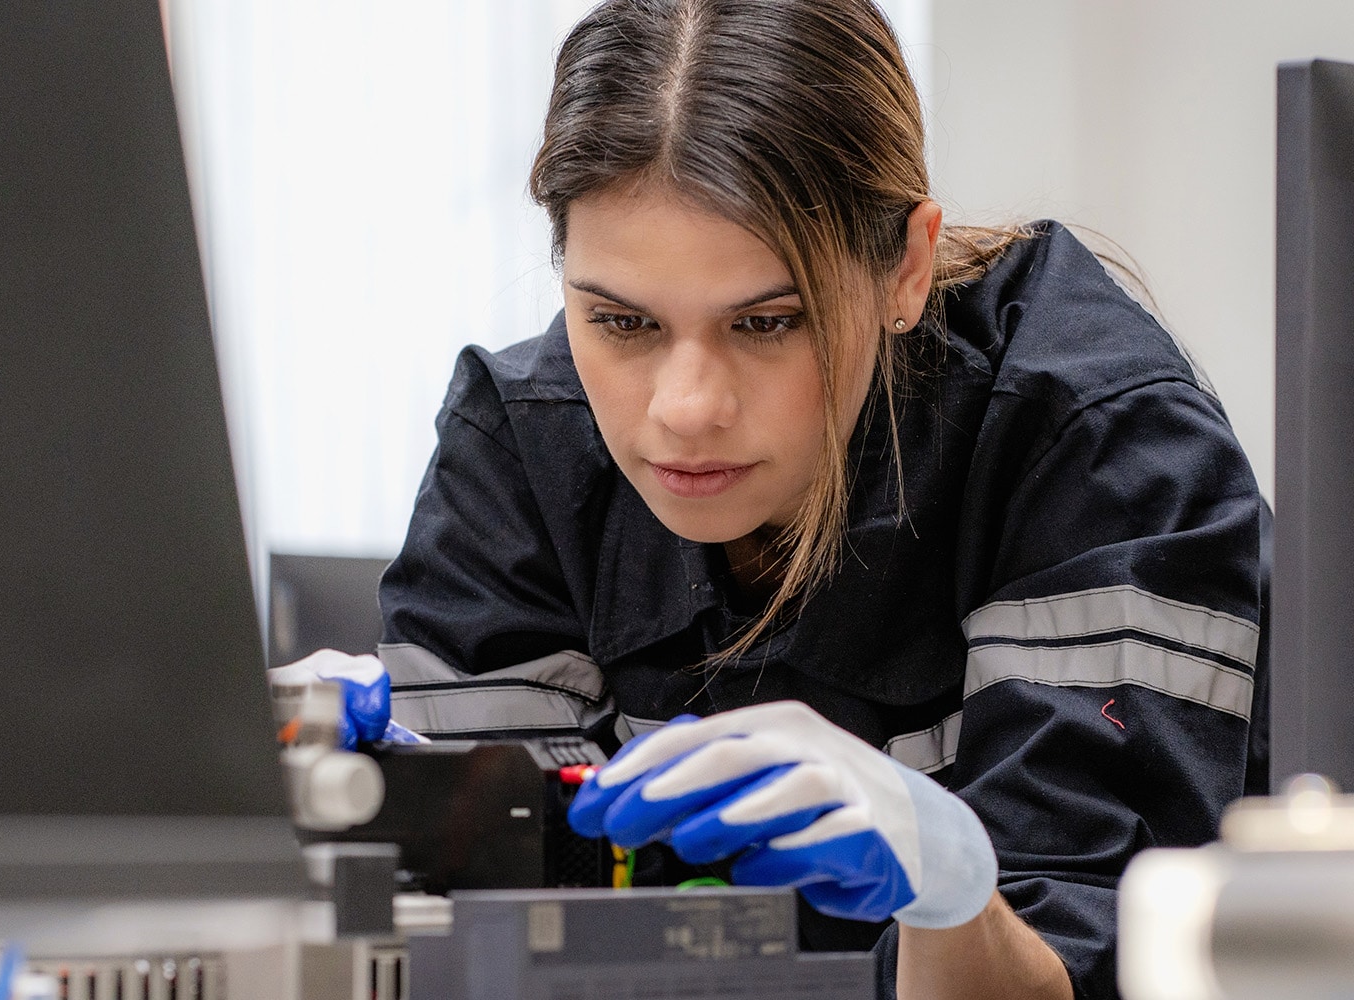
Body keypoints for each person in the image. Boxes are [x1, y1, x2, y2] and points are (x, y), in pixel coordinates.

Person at [299, 2, 1267, 999]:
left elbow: (1082, 971)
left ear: (907, 265)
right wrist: (323, 818)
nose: (684, 408)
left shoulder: (1094, 442)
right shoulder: (520, 449)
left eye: (767, 321)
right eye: (620, 319)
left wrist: (952, 891)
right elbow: (493, 942)